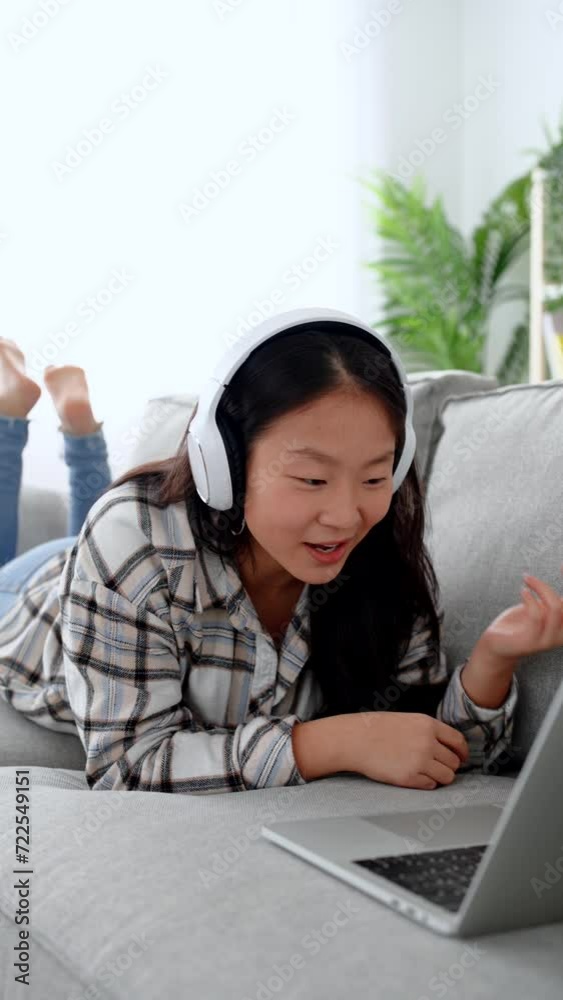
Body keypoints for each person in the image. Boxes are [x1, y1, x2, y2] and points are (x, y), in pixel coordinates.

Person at [0, 321, 519, 796]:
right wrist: (328, 743)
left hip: (107, 569)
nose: (345, 516)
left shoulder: (379, 551)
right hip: (34, 603)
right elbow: (126, 767)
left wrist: (492, 661)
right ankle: (27, 419)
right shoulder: (132, 537)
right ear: (224, 464)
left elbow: (421, 746)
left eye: (373, 478)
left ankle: (74, 428)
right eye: (312, 480)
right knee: (52, 543)